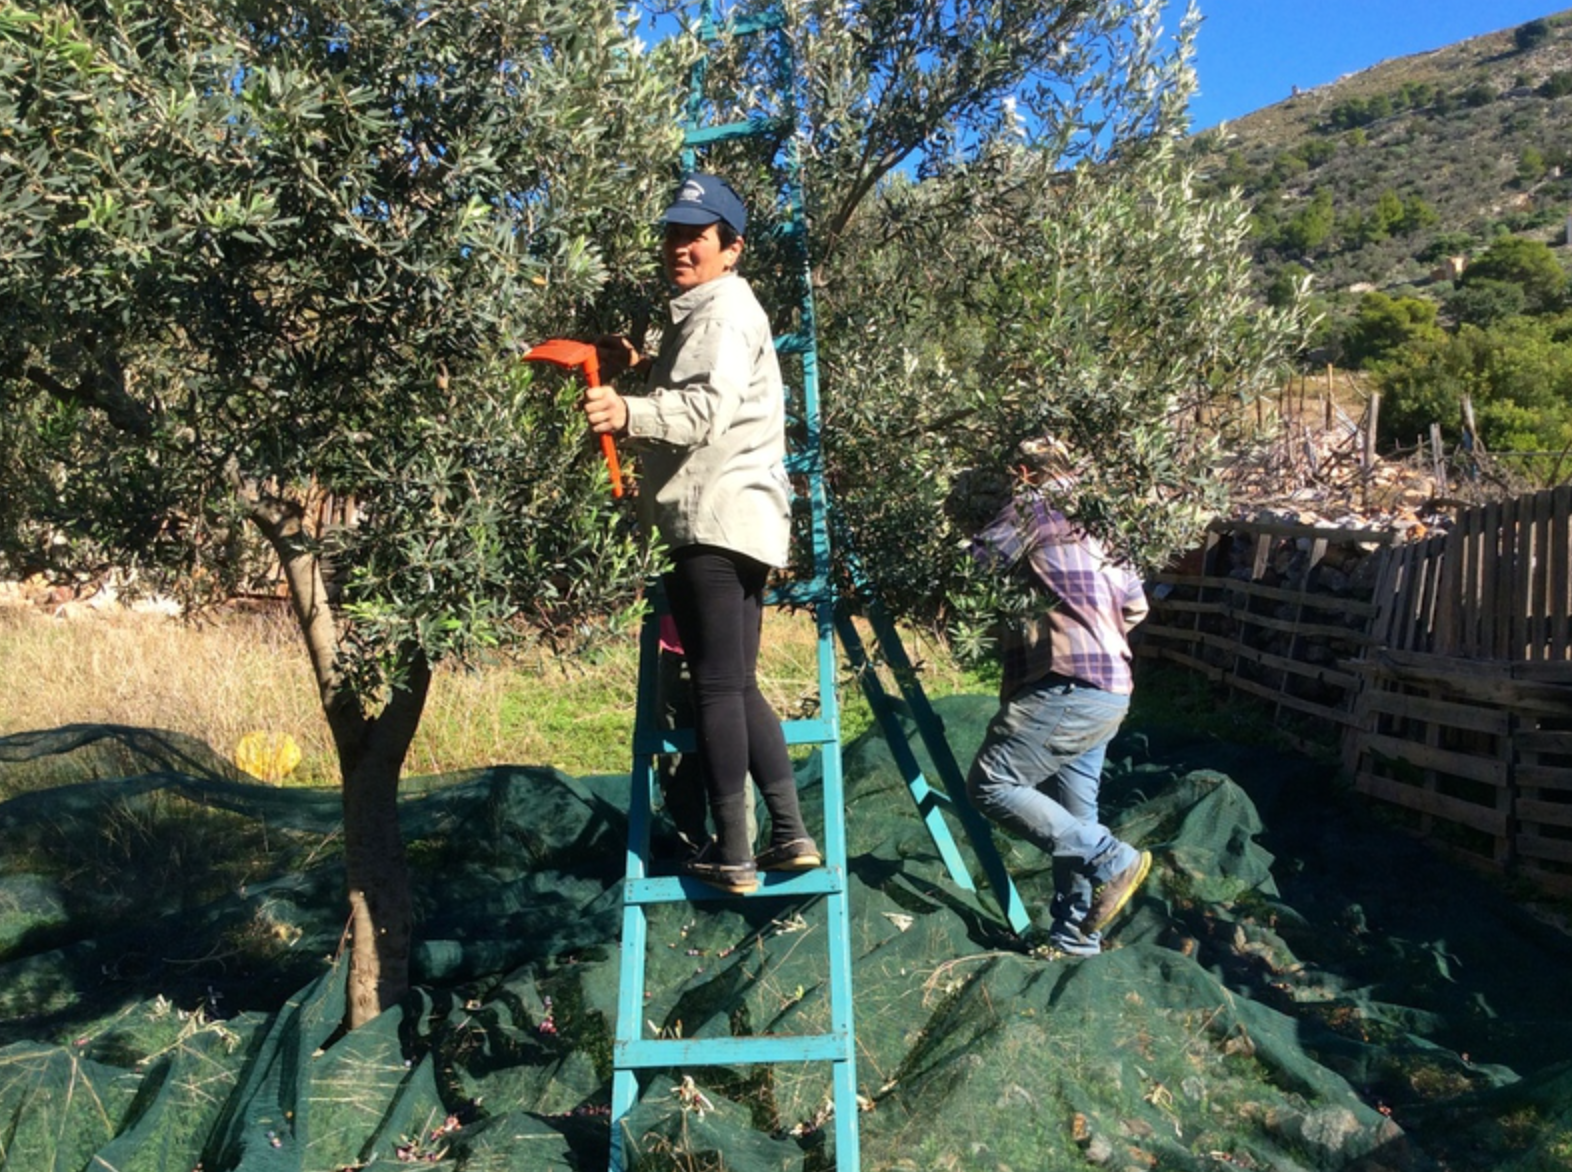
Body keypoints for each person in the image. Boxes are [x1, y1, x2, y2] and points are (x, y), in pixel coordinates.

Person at [582, 173, 820, 895]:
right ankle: (790, 834)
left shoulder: (719, 310)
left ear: (731, 248)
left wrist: (627, 411)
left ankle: (734, 852)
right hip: (745, 521)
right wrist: (649, 370)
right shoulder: (719, 310)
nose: (680, 248)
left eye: (696, 236)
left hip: (710, 521)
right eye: (673, 234)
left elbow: (701, 415)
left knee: (715, 689)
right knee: (738, 684)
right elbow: (708, 391)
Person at [961, 436, 1153, 956]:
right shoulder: (1104, 525)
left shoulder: (1030, 509)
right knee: (1075, 811)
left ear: (1024, 472)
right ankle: (1075, 937)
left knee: (992, 783)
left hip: (1066, 685)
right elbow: (1136, 609)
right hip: (1111, 689)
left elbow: (971, 570)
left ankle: (1113, 859)